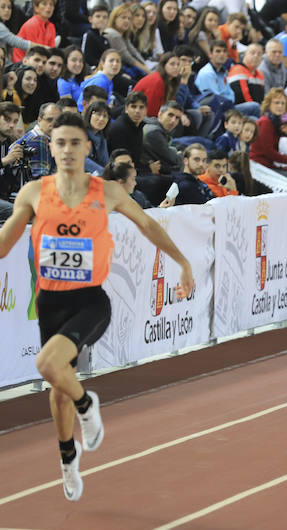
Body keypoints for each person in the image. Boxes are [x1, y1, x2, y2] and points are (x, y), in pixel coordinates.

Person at [0, 111, 194, 501]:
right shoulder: (34, 193)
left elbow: (148, 225)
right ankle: (68, 460)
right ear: (50, 148)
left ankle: (88, 404)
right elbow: (5, 241)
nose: (68, 149)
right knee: (56, 388)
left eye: (75, 143)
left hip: (90, 301)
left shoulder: (106, 191)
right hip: (50, 302)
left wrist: (183, 262)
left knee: (45, 366)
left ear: (87, 147)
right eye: (61, 143)